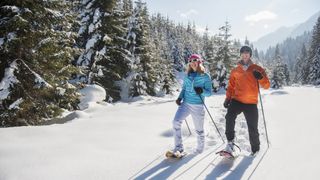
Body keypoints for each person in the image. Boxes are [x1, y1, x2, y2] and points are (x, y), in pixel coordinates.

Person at [223, 46, 270, 156]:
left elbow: (267, 85)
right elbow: (231, 86)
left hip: (251, 103)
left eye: (247, 52)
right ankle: (230, 142)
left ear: (250, 55)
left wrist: (261, 77)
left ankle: (255, 150)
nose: (245, 54)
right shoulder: (235, 70)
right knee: (229, 116)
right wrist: (227, 98)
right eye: (243, 53)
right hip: (237, 100)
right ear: (240, 54)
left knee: (252, 127)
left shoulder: (257, 68)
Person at [172, 54, 212, 154]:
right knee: (176, 122)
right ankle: (178, 148)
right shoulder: (187, 75)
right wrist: (180, 97)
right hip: (185, 104)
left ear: (199, 62)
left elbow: (209, 93)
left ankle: (199, 150)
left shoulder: (205, 76)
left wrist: (201, 90)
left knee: (199, 130)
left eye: (195, 60)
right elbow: (184, 88)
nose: (193, 63)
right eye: (191, 61)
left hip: (197, 105)